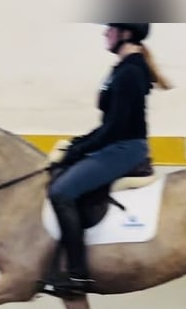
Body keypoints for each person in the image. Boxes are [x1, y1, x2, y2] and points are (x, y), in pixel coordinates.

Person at [46, 23, 173, 293]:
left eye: (110, 29)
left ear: (125, 33)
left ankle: (77, 274)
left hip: (124, 148)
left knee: (61, 191)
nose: (105, 33)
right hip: (117, 144)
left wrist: (76, 149)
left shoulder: (130, 72)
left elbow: (115, 128)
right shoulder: (123, 68)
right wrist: (76, 144)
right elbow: (109, 124)